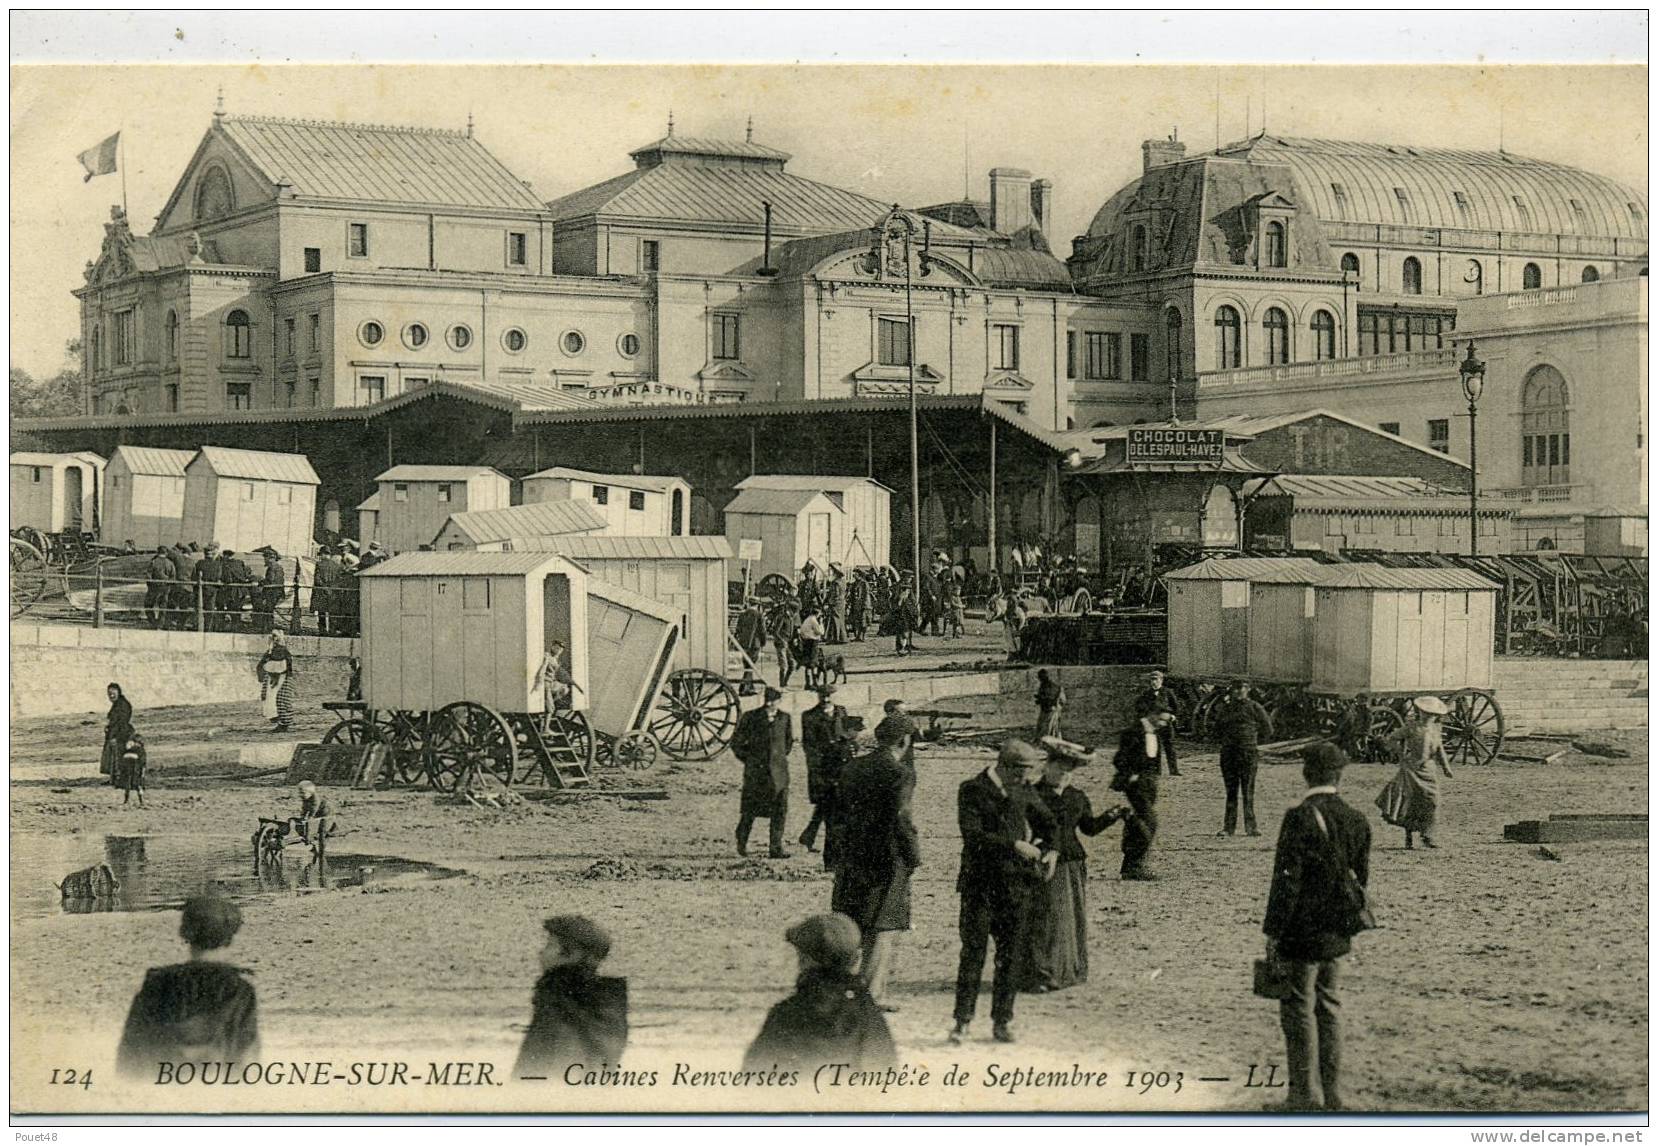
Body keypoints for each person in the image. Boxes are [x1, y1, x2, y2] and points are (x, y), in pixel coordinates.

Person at [1262, 742, 1372, 1112]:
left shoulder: (1299, 817)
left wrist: (1273, 932)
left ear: (1306, 774)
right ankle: (1334, 1095)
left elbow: (1286, 883)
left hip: (1301, 933)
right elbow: (1361, 881)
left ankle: (1302, 1096)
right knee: (1329, 1006)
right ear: (1340, 775)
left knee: (1296, 1008)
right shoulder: (1358, 819)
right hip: (1337, 932)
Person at [950, 739, 1058, 1045]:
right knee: (973, 954)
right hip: (979, 887)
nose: (1027, 779)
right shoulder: (971, 789)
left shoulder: (1023, 788)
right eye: (1023, 772)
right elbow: (973, 836)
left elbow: (1050, 824)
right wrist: (1014, 845)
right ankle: (962, 1021)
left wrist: (1052, 851)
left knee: (1010, 957)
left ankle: (1002, 1021)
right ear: (1005, 767)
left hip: (1015, 888)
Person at [1018, 737, 1131, 993]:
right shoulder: (1032, 795)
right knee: (1046, 918)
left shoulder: (1076, 797)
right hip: (1043, 863)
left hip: (1072, 863)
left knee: (1070, 919)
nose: (1063, 776)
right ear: (1047, 767)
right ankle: (1041, 974)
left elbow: (1089, 829)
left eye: (1069, 772)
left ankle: (1068, 971)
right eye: (1059, 769)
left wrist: (1112, 816)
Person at [830, 716, 921, 1011]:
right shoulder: (900, 773)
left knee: (852, 920)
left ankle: (841, 988)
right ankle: (871, 995)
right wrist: (913, 855)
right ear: (904, 741)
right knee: (883, 926)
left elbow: (837, 814)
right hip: (886, 857)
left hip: (853, 854)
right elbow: (901, 818)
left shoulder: (853, 767)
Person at [116, 896, 259, 1078]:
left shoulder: (156, 983)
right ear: (229, 938)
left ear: (185, 933)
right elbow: (247, 1060)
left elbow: (130, 1054)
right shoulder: (240, 990)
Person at [743, 913, 895, 1073]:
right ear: (856, 960)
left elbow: (753, 1077)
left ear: (804, 959)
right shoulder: (869, 1015)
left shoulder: (786, 1014)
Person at [513, 914, 628, 1080]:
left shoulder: (558, 1003)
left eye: (550, 945)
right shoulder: (604, 1004)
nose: (541, 953)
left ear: (572, 954)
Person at [1376, 695, 1455, 849]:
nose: (1429, 716)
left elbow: (1440, 750)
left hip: (1428, 769)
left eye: (1432, 714)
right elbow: (1392, 738)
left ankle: (1427, 834)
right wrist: (1401, 754)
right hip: (1411, 768)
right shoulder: (1412, 727)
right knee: (1411, 802)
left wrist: (1446, 768)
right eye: (1426, 713)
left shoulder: (1436, 729)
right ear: (1420, 712)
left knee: (1433, 801)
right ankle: (1409, 836)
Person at [733, 687, 794, 859]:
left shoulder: (785, 718)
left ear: (779, 701)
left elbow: (788, 743)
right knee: (749, 812)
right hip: (756, 775)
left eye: (773, 701)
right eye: (767, 700)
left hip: (779, 775)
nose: (770, 704)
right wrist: (750, 760)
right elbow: (736, 743)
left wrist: (777, 759)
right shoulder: (751, 717)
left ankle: (776, 848)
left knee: (779, 812)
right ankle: (741, 842)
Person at [1210, 680, 1274, 837]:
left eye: (1242, 688)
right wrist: (1227, 742)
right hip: (1229, 754)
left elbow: (1268, 729)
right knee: (1231, 792)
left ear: (1248, 689)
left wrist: (1251, 742)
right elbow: (1216, 730)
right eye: (1235, 689)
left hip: (1248, 754)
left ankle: (1251, 827)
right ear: (1232, 691)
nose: (1238, 692)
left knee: (1248, 791)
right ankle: (1228, 828)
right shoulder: (1225, 709)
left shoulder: (1255, 707)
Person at [1110, 714, 1168, 880]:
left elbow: (1154, 760)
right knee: (1149, 821)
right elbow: (1119, 758)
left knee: (1141, 821)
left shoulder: (1155, 734)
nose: (1166, 721)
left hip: (1149, 782)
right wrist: (1131, 774)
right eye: (1162, 716)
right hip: (1136, 783)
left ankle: (1132, 866)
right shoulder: (1132, 733)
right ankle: (1135, 866)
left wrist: (1154, 777)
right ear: (1151, 715)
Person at [798, 684, 852, 856]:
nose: (826, 700)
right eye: (823, 696)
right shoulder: (809, 716)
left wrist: (849, 740)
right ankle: (833, 845)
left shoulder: (842, 711)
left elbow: (850, 731)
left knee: (828, 804)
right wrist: (815, 771)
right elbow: (809, 746)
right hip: (824, 767)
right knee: (831, 805)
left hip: (843, 764)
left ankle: (809, 835)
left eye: (828, 696)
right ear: (818, 696)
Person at [1133, 670, 1183, 776]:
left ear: (1161, 680)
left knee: (1170, 746)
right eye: (1152, 680)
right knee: (1156, 747)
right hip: (1153, 724)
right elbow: (1139, 708)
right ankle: (1157, 771)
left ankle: (1174, 771)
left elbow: (1176, 707)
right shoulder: (1146, 694)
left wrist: (1173, 716)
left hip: (1166, 723)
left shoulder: (1168, 692)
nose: (1154, 682)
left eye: (1156, 679)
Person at [258, 630, 296, 732]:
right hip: (274, 677)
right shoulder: (271, 651)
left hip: (282, 677)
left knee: (281, 699)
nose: (273, 639)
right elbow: (263, 665)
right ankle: (281, 722)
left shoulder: (281, 650)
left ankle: (283, 724)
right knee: (271, 698)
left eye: (275, 636)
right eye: (272, 637)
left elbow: (281, 666)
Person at [101, 682, 134, 784]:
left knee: (118, 757)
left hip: (121, 734)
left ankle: (119, 780)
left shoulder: (123, 705)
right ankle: (113, 779)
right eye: (109, 694)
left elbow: (122, 722)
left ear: (119, 692)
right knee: (112, 757)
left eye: (113, 693)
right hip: (115, 733)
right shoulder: (117, 704)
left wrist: (116, 736)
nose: (111, 696)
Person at [734, 598, 768, 696]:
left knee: (747, 665)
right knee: (750, 666)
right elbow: (762, 631)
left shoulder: (742, 615)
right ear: (757, 605)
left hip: (743, 644)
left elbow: (738, 629)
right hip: (755, 644)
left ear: (749, 604)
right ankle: (743, 688)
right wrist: (763, 642)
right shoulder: (759, 615)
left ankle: (750, 687)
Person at [291, 779, 337, 845]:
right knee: (308, 823)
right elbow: (304, 808)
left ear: (311, 792)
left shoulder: (315, 799)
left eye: (303, 793)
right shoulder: (305, 799)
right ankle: (308, 833)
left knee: (320, 823)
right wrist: (303, 816)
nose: (301, 795)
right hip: (318, 812)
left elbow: (314, 808)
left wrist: (310, 817)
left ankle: (326, 830)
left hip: (325, 812)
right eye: (300, 793)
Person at [535, 640, 574, 714]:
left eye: (560, 649)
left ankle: (551, 702)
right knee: (549, 704)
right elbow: (543, 668)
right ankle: (549, 705)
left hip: (551, 681)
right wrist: (539, 680)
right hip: (546, 681)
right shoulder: (547, 656)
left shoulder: (555, 659)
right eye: (557, 648)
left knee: (565, 689)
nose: (559, 650)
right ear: (552, 647)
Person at [222, 549, 256, 631]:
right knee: (238, 609)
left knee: (232, 609)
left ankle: (234, 628)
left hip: (232, 591)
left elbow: (228, 579)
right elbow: (246, 574)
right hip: (242, 590)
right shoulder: (240, 562)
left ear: (225, 555)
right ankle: (237, 627)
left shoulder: (226, 565)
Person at [312, 547, 343, 637]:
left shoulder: (319, 564)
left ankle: (323, 631)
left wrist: (324, 587)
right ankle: (332, 631)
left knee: (321, 612)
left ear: (324, 554)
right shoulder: (337, 565)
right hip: (333, 592)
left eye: (321, 555)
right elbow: (339, 580)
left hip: (321, 592)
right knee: (332, 612)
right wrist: (331, 588)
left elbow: (317, 578)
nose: (320, 557)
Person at [144, 546, 176, 629]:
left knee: (148, 605)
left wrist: (150, 585)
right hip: (165, 588)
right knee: (163, 607)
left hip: (154, 588)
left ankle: (153, 622)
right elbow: (173, 577)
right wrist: (168, 585)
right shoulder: (170, 563)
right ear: (166, 553)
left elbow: (148, 575)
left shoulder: (153, 562)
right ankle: (160, 624)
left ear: (157, 552)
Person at [194, 544, 224, 632]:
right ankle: (208, 629)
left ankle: (197, 627)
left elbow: (195, 575)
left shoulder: (199, 563)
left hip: (202, 589)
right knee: (209, 611)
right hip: (212, 590)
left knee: (199, 609)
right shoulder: (217, 565)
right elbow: (218, 577)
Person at [115, 731, 147, 808]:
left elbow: (143, 763)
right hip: (129, 769)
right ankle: (128, 800)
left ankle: (140, 800)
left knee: (136, 785)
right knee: (129, 785)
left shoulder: (139, 751)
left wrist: (142, 772)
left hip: (135, 769)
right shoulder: (128, 751)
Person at [1034, 669, 1065, 739]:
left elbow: (1052, 699)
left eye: (1041, 677)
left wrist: (1042, 699)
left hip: (1051, 710)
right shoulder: (1043, 686)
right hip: (1045, 710)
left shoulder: (1052, 686)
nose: (1040, 679)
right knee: (1041, 728)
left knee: (1050, 729)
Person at [796, 609, 825, 679]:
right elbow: (820, 632)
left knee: (808, 662)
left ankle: (808, 681)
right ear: (817, 614)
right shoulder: (813, 620)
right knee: (813, 661)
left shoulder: (807, 619)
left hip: (805, 641)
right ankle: (814, 681)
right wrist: (821, 623)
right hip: (812, 641)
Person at [847, 573, 872, 642]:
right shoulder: (854, 584)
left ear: (859, 575)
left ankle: (863, 636)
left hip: (863, 605)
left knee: (863, 621)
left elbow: (866, 594)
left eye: (855, 574)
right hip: (855, 605)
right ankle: (857, 636)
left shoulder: (864, 583)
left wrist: (865, 604)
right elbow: (852, 595)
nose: (854, 575)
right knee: (856, 622)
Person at [1003, 592, 1026, 660]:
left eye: (1011, 601)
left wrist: (1019, 628)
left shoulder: (1018, 610)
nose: (1009, 603)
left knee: (1017, 640)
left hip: (1018, 627)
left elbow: (1022, 619)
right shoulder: (1007, 611)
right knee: (1009, 638)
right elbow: (1006, 619)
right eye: (1008, 601)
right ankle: (1012, 652)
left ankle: (1017, 653)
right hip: (1010, 627)